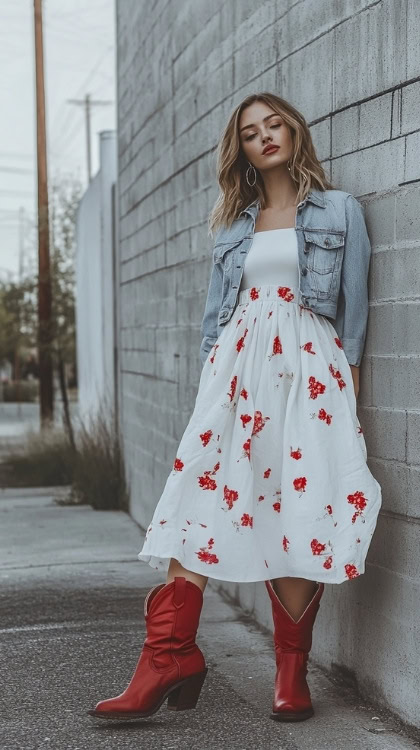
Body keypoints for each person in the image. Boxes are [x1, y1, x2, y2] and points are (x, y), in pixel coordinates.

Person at [88, 92, 383, 723]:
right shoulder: (233, 226)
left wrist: (350, 379)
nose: (266, 136)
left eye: (275, 124)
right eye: (252, 132)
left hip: (309, 373)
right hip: (237, 374)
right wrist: (208, 391)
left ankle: (289, 674)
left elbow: (352, 306)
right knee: (199, 492)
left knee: (297, 507)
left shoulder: (340, 211)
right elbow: (211, 321)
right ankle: (167, 655)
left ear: (295, 132)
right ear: (242, 150)